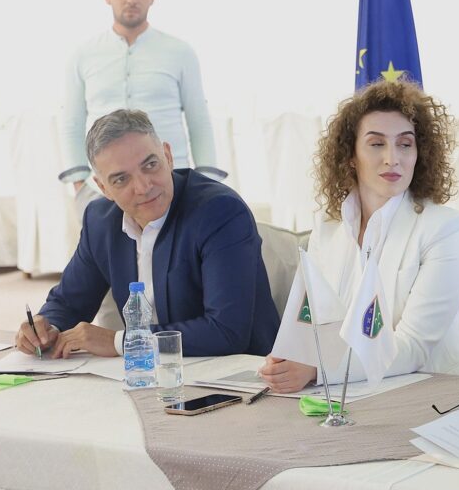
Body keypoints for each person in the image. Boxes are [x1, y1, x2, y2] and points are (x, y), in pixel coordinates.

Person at [260, 79, 459, 392]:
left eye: (405, 144)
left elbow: (414, 346)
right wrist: (289, 359)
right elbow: (318, 325)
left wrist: (317, 369)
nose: (392, 158)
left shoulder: (446, 229)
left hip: (446, 393)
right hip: (357, 392)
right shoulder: (327, 229)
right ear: (350, 155)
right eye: (377, 144)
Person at [16, 109, 278, 358]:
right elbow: (68, 302)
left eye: (150, 165)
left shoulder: (220, 211)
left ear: (168, 156)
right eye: (121, 179)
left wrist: (120, 341)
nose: (143, 187)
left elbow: (226, 332)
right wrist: (44, 328)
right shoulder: (100, 220)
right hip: (148, 373)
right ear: (103, 187)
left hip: (236, 376)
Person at [59, 0, 222, 209]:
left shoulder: (180, 52)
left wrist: (207, 184)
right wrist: (80, 185)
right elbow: (71, 122)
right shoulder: (82, 55)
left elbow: (198, 119)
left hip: (171, 185)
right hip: (105, 190)